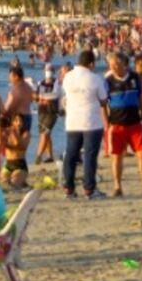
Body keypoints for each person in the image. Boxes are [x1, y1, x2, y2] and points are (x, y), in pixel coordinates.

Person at [103, 52, 142, 198]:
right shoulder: (107, 80)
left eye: (115, 64)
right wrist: (106, 123)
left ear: (122, 64)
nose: (113, 67)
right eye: (111, 65)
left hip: (135, 123)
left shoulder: (134, 77)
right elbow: (103, 103)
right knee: (116, 156)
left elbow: (141, 98)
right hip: (116, 124)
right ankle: (117, 187)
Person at [60, 49, 108, 200]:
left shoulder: (68, 77)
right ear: (91, 64)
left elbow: (66, 95)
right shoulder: (95, 78)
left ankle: (68, 188)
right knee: (90, 156)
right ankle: (89, 188)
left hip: (73, 121)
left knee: (71, 154)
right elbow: (103, 99)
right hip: (91, 122)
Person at [33, 65, 61, 164]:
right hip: (41, 111)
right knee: (46, 134)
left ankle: (38, 156)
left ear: (53, 71)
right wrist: (40, 98)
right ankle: (50, 156)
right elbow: (35, 96)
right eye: (47, 70)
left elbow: (55, 95)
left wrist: (42, 97)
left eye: (50, 70)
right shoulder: (40, 83)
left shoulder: (57, 82)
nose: (48, 72)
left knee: (45, 133)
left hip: (52, 112)